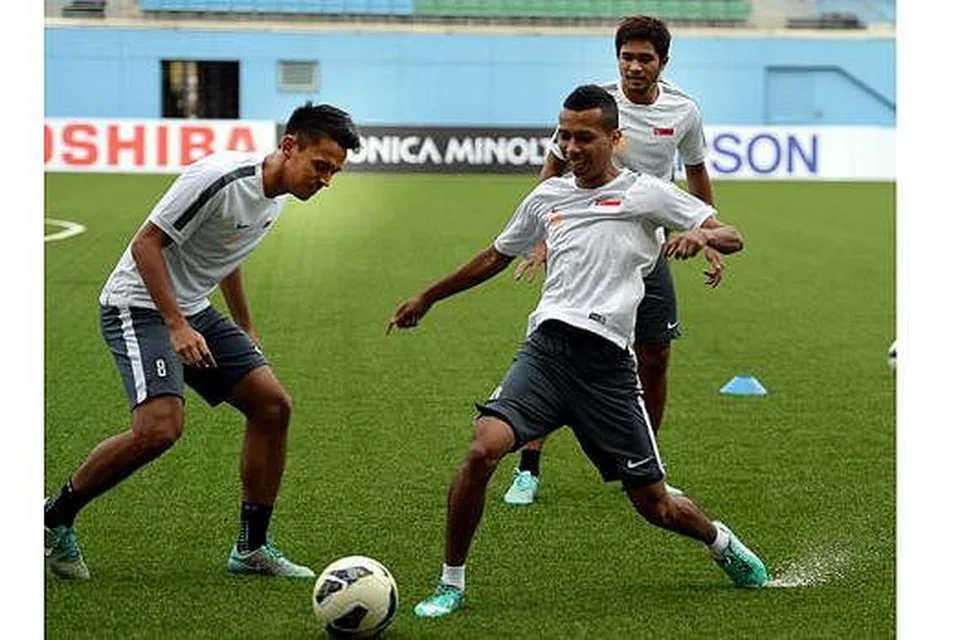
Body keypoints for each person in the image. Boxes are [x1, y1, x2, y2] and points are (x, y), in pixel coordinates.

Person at [388, 85, 766, 618]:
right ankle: (451, 582)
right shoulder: (547, 197)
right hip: (545, 351)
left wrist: (706, 237)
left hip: (607, 366)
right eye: (564, 135)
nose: (571, 146)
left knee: (653, 504)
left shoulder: (648, 193)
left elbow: (733, 234)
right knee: (481, 450)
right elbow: (495, 257)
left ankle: (720, 542)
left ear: (615, 138)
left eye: (584, 136)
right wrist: (428, 296)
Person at [44, 102, 361, 580]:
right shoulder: (218, 177)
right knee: (159, 429)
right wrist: (176, 325)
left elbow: (225, 252)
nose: (325, 180)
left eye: (334, 172)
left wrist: (244, 325)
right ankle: (53, 518)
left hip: (193, 309)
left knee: (273, 406)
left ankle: (251, 549)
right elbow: (145, 244)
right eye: (320, 166)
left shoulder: (275, 198)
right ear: (289, 146)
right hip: (138, 305)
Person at [504, 15, 719, 506]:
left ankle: (647, 467)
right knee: (555, 343)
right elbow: (554, 169)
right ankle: (527, 468)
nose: (634, 67)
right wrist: (541, 236)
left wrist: (703, 232)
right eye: (626, 57)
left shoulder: (684, 111)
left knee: (656, 353)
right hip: (585, 232)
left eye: (645, 58)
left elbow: (696, 173)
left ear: (663, 62)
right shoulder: (596, 104)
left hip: (646, 241)